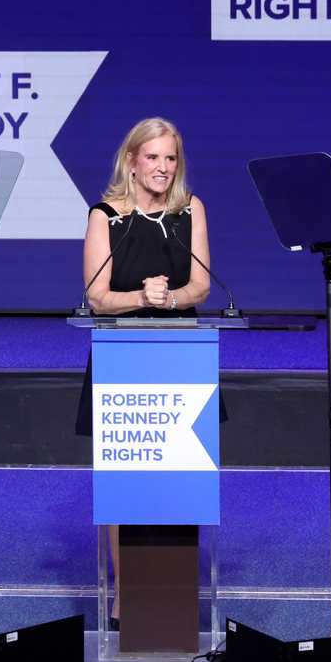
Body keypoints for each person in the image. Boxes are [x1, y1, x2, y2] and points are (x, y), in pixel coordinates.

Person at [75, 117, 214, 627]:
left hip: (181, 354)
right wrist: (141, 297)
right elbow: (96, 295)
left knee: (179, 474)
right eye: (152, 157)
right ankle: (123, 589)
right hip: (122, 355)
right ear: (131, 160)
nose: (162, 167)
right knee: (123, 479)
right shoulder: (106, 216)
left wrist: (171, 297)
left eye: (170, 158)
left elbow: (201, 286)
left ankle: (172, 584)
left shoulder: (190, 210)